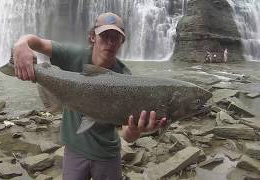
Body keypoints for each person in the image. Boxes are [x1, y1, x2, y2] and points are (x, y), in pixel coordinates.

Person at [12, 12, 167, 180]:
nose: (110, 42)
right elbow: (37, 42)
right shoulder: (73, 55)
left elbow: (127, 136)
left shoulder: (126, 79)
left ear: (122, 41)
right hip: (74, 149)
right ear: (92, 37)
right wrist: (21, 44)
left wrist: (137, 129)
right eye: (104, 36)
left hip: (107, 154)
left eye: (116, 37)